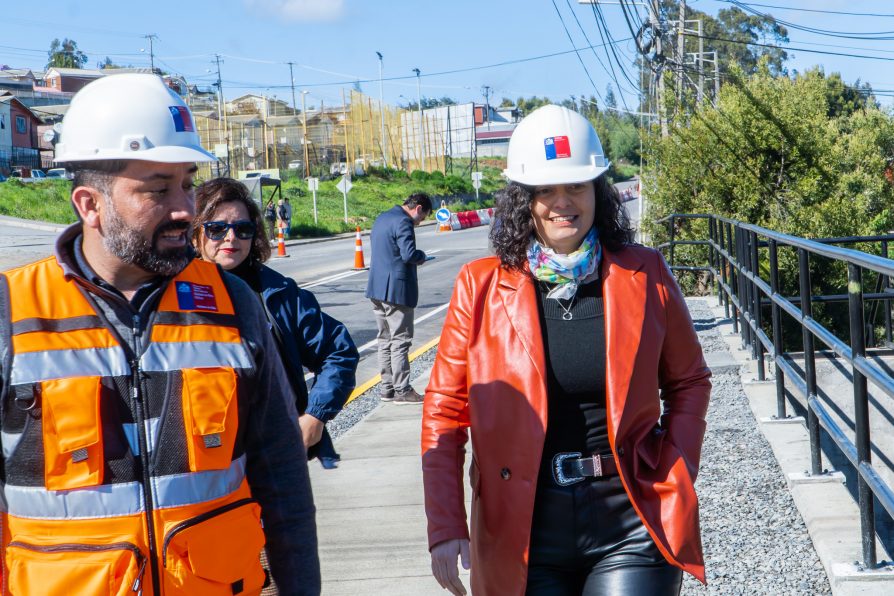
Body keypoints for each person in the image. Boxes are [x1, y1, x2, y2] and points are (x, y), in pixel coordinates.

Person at [0, 73, 320, 595]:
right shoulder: (11, 311)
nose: (185, 210)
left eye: (188, 183)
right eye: (158, 190)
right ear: (90, 205)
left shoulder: (232, 303)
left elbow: (281, 475)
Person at [421, 105, 711, 596]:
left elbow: (689, 382)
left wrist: (675, 465)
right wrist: (446, 525)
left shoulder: (645, 274)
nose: (562, 202)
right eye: (545, 190)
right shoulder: (481, 285)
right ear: (523, 200)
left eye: (575, 186)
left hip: (632, 519)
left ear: (598, 190)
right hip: (523, 529)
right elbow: (444, 411)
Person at [192, 177, 359, 468]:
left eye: (242, 229)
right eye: (217, 228)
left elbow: (338, 351)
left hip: (271, 462)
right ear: (194, 234)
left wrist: (315, 416)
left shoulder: (279, 294)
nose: (231, 238)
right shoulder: (167, 296)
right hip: (199, 467)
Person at [365, 193, 433, 404]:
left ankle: (387, 389)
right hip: (397, 290)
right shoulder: (404, 222)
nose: (420, 222)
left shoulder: (382, 217)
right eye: (423, 217)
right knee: (400, 341)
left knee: (384, 339)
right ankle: (403, 390)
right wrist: (422, 256)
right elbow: (408, 254)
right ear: (418, 208)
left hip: (376, 288)